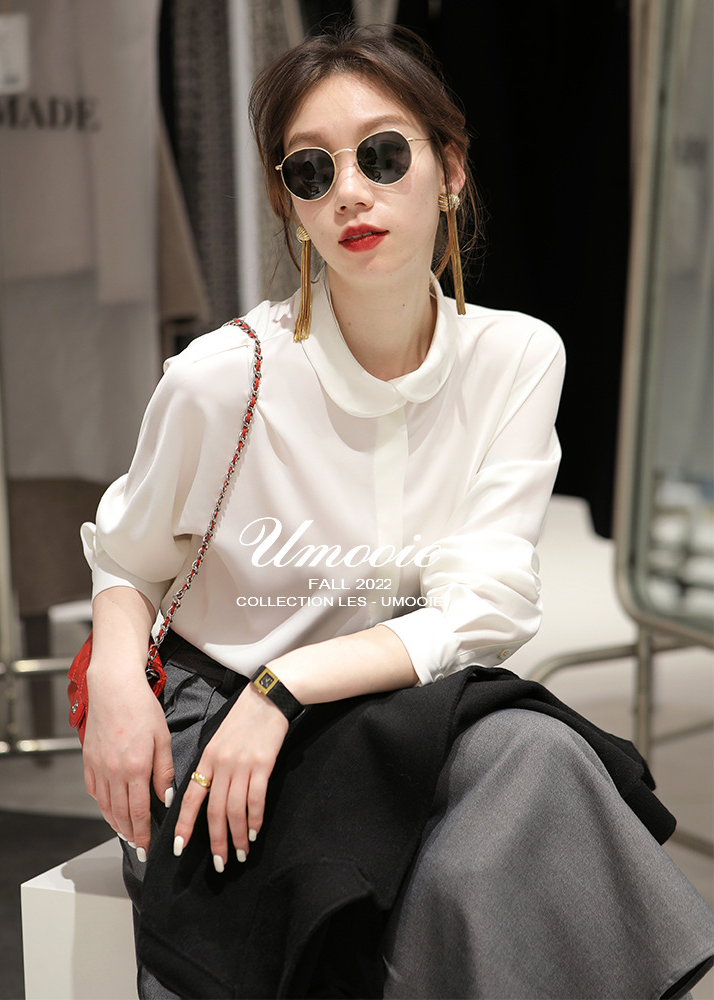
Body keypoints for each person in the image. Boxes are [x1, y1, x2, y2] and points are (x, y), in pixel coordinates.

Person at [79, 24, 713, 1000]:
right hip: (227, 726)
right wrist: (119, 686)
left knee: (538, 757)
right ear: (289, 206)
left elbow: (484, 606)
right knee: (452, 860)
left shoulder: (516, 357)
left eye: (382, 155)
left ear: (450, 169)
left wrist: (289, 684)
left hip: (387, 707)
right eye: (311, 170)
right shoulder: (222, 378)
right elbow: (128, 558)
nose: (349, 192)